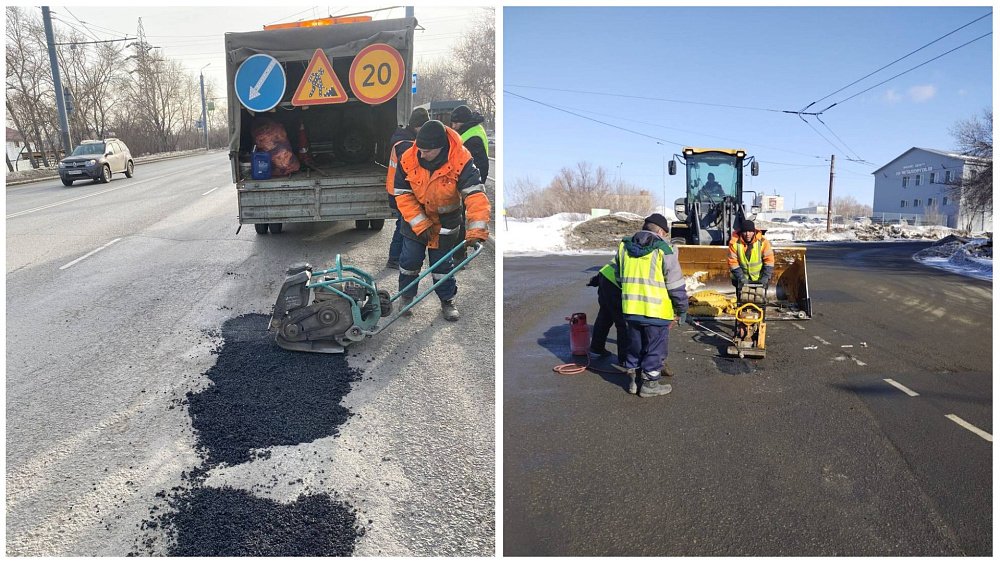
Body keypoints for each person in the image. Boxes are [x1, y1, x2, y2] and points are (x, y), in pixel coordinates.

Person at [392, 120, 490, 321]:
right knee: (409, 260)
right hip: (415, 219)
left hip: (446, 222)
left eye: (427, 151)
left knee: (442, 265)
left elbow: (475, 195)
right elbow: (402, 194)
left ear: (440, 147)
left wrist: (476, 230)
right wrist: (420, 223)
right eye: (420, 149)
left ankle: (447, 300)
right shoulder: (408, 157)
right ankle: (406, 297)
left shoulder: (461, 160)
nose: (421, 154)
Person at [612, 213, 689, 398]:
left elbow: (618, 277)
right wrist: (682, 309)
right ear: (661, 232)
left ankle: (633, 380)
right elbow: (675, 286)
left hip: (631, 310)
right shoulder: (664, 250)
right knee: (655, 350)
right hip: (657, 312)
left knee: (635, 346)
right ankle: (650, 385)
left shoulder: (624, 247)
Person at [385, 107, 430, 269]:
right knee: (403, 226)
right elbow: (413, 173)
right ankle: (394, 258)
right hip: (402, 193)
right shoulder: (407, 145)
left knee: (402, 224)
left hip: (396, 190)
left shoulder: (402, 140)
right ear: (418, 126)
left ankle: (395, 257)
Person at [727, 219, 775, 294]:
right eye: (745, 231)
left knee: (758, 298)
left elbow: (769, 260)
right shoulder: (734, 243)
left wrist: (765, 277)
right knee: (742, 298)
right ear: (741, 232)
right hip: (741, 278)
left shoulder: (763, 242)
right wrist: (741, 278)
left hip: (759, 279)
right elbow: (733, 262)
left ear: (754, 231)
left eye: (750, 231)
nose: (747, 234)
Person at [450, 105, 489, 183]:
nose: (453, 126)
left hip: (470, 181)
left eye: (456, 123)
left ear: (464, 121)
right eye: (452, 123)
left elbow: (481, 165)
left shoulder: (473, 139)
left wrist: (477, 185)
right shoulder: (474, 128)